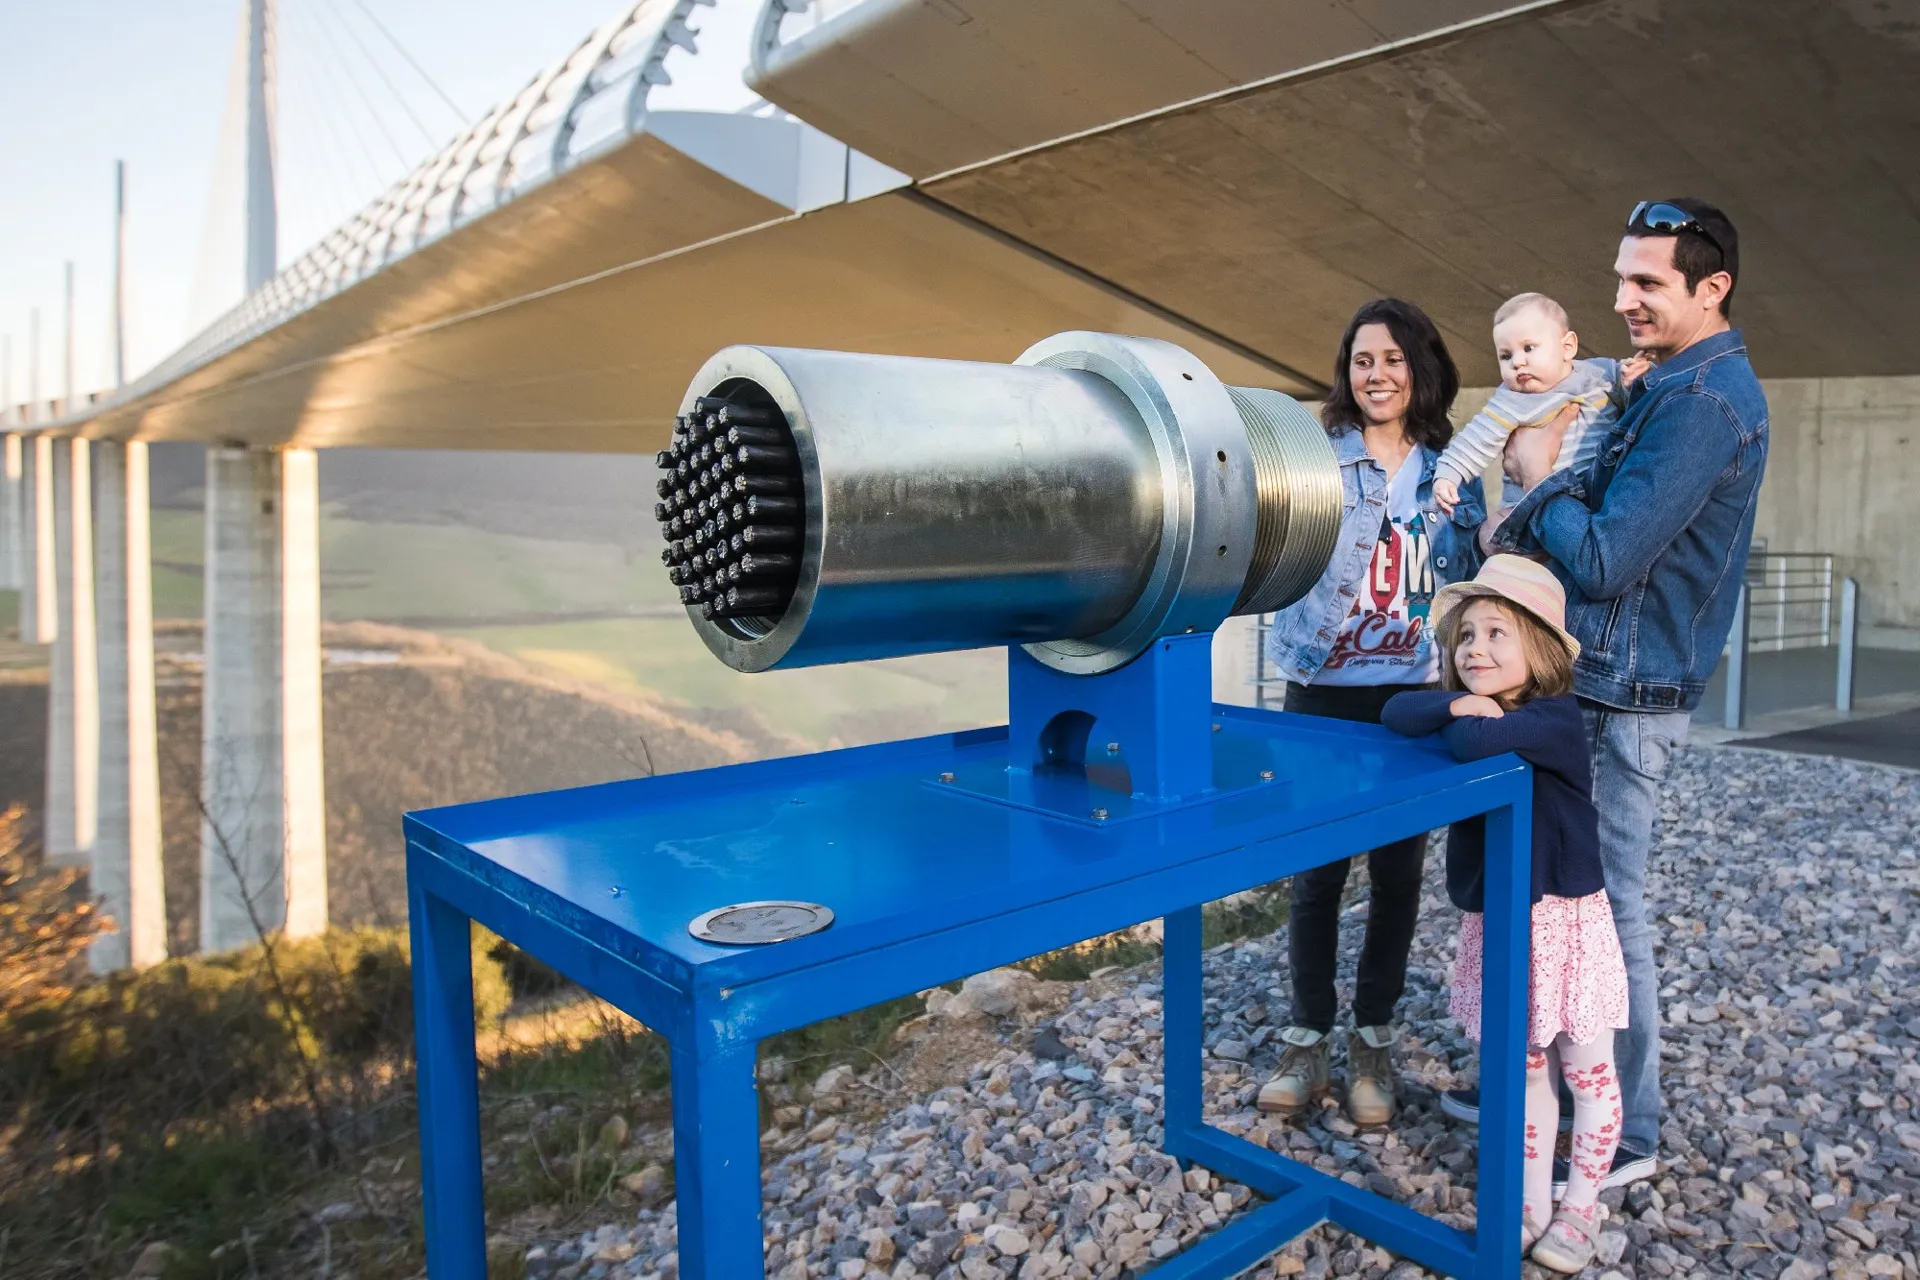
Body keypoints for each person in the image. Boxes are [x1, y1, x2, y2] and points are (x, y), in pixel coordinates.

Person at [1444, 198, 1769, 1191]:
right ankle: (1536, 1081)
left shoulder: (1706, 401)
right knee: (1539, 891)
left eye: (1648, 284)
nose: (1623, 298)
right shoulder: (1659, 384)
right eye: (1621, 276)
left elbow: (1606, 555)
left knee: (1603, 905)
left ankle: (1627, 1128)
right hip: (1587, 676)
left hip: (1628, 699)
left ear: (1712, 288)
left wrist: (1539, 476)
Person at [1257, 297, 1481, 1127]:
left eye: (1391, 359)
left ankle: (1374, 1039)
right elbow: (1272, 538)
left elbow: (1474, 574)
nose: (1376, 374)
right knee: (1315, 872)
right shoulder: (1318, 456)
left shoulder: (1456, 464)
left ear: (1420, 368)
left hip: (1413, 693)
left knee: (1396, 876)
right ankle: (1307, 1033)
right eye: (1362, 360)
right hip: (1322, 683)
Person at [1382, 556, 1626, 1273]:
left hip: (1565, 920)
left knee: (1585, 1069)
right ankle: (1528, 1199)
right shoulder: (1477, 702)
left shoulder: (1555, 718)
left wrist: (1461, 716)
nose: (1475, 651)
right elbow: (1398, 712)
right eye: (1465, 637)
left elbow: (1473, 742)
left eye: (1497, 634)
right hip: (1502, 919)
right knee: (1522, 1070)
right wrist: (1454, 700)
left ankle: (1582, 1203)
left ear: (1540, 651)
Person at [1430, 293, 1647, 517]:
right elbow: (1476, 440)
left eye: (1529, 348)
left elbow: (1635, 409)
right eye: (1505, 356)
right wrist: (1448, 475)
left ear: (1568, 347)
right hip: (1531, 512)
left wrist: (1632, 381)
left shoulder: (1601, 374)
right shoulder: (1512, 400)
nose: (1517, 362)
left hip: (1597, 499)